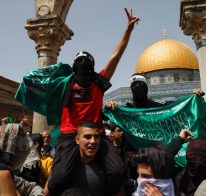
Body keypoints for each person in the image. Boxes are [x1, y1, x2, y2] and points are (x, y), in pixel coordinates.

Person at [47, 8, 139, 196]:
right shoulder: (64, 84)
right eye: (80, 62)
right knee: (58, 178)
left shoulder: (98, 83)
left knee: (118, 170)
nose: (83, 66)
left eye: (86, 62)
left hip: (96, 133)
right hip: (69, 135)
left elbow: (116, 56)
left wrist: (128, 30)